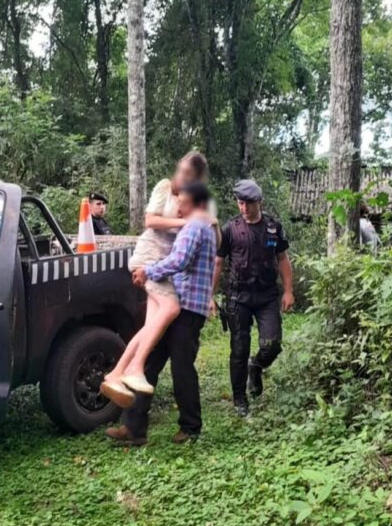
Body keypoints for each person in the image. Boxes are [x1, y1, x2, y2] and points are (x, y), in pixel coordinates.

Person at [105, 182, 217, 445]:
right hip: (181, 302)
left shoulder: (195, 226)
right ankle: (134, 428)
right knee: (149, 362)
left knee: (182, 368)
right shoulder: (194, 225)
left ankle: (190, 428)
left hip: (187, 307)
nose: (177, 203)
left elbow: (179, 261)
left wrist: (148, 271)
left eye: (182, 198)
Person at [100, 152, 212, 403]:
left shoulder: (193, 201)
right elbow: (150, 220)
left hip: (161, 265)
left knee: (151, 328)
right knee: (171, 307)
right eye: (180, 169)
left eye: (187, 174)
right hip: (150, 259)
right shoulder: (165, 188)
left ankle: (117, 374)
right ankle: (134, 368)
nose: (179, 176)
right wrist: (185, 221)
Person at [212, 179, 294, 415]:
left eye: (249, 204)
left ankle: (256, 366)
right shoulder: (230, 229)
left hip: (267, 295)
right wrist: (210, 295)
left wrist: (288, 290)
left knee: (272, 344)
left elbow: (283, 259)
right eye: (240, 203)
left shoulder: (273, 227)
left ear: (260, 202)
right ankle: (240, 399)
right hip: (239, 296)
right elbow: (218, 263)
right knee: (239, 348)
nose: (244, 208)